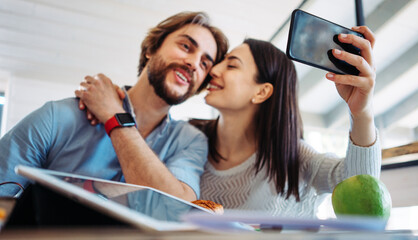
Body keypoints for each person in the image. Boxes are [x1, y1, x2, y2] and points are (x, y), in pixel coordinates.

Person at [77, 26, 380, 217]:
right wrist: (115, 104)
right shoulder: (187, 138)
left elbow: (362, 185)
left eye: (230, 65)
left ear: (262, 91)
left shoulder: (294, 158)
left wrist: (361, 112)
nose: (214, 71)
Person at [0, 11, 229, 201]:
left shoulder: (190, 141)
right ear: (151, 49)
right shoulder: (58, 117)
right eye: (186, 46)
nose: (193, 63)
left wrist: (115, 116)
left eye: (205, 63)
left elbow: (174, 207)